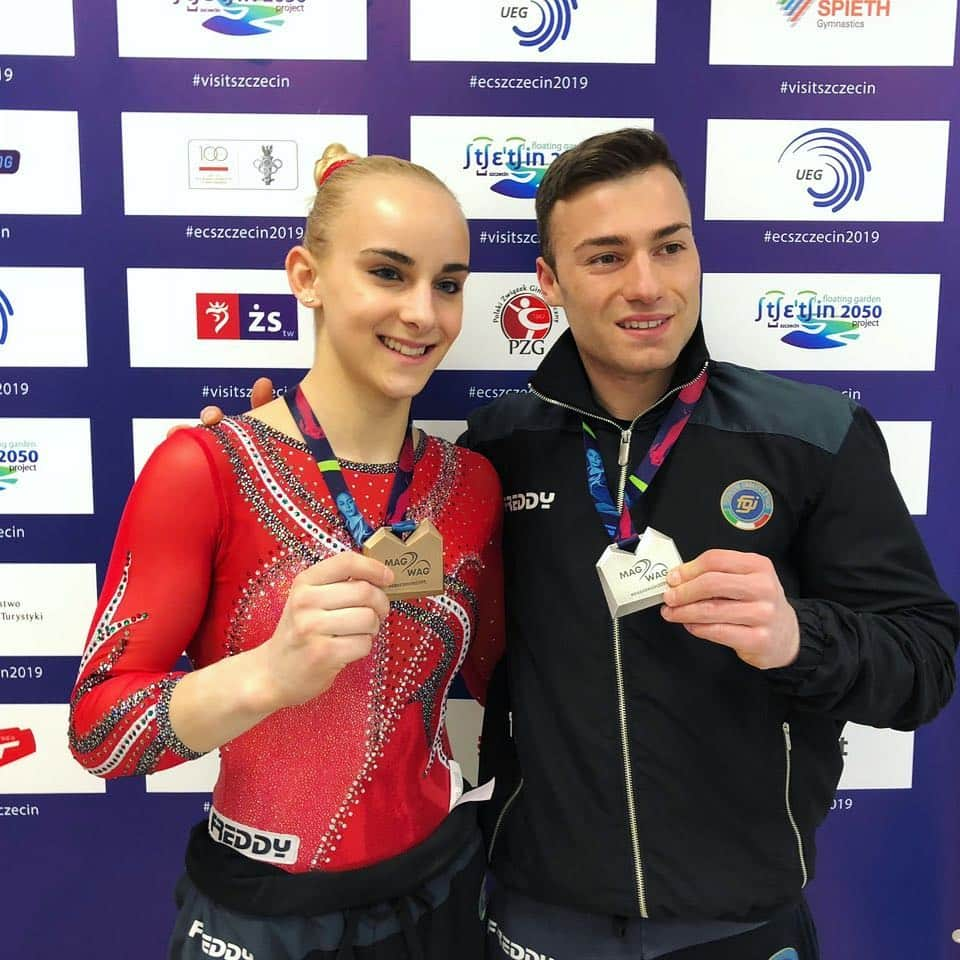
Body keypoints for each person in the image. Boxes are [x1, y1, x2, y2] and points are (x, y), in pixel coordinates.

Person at [200, 129, 960, 959]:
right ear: (550, 284)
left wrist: (796, 638)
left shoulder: (813, 436)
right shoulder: (494, 455)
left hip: (741, 918)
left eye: (670, 246)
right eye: (606, 257)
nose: (648, 286)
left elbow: (924, 667)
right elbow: (378, 531)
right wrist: (259, 463)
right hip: (537, 913)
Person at [69, 144, 504, 960]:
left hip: (439, 892)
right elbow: (99, 730)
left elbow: (513, 681)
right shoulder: (204, 467)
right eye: (387, 272)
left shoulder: (472, 484)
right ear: (306, 277)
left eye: (448, 283)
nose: (423, 312)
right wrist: (268, 674)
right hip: (261, 917)